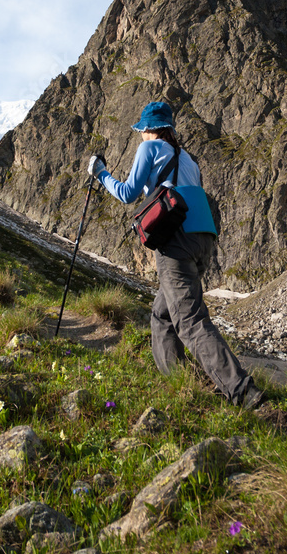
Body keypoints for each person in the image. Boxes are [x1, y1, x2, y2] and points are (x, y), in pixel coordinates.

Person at [88, 101, 264, 409]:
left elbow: (128, 194)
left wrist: (101, 173)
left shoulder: (150, 148)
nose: (140, 137)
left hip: (176, 240)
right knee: (163, 314)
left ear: (147, 129)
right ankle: (178, 383)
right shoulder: (189, 159)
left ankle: (243, 392)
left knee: (190, 321)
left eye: (140, 132)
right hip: (203, 239)